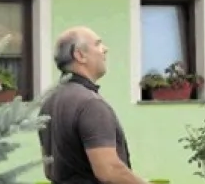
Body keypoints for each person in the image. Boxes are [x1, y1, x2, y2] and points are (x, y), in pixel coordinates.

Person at [39, 27, 146, 184]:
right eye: (98, 44)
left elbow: (49, 170)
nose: (105, 50)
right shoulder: (90, 104)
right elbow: (109, 171)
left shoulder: (49, 102)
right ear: (80, 55)